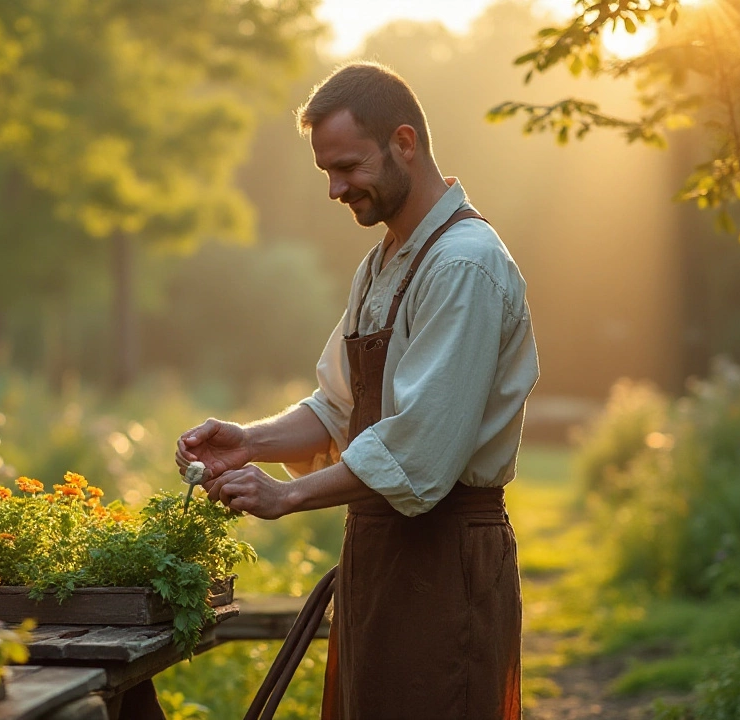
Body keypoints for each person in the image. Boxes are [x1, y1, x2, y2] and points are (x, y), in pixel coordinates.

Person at [175, 61, 538, 719]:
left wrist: (288, 495)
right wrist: (248, 442)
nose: (335, 189)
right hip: (379, 557)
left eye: (347, 167)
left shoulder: (463, 265)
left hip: (446, 564)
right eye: (327, 173)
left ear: (404, 142)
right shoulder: (384, 263)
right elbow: (337, 409)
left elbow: (417, 453)